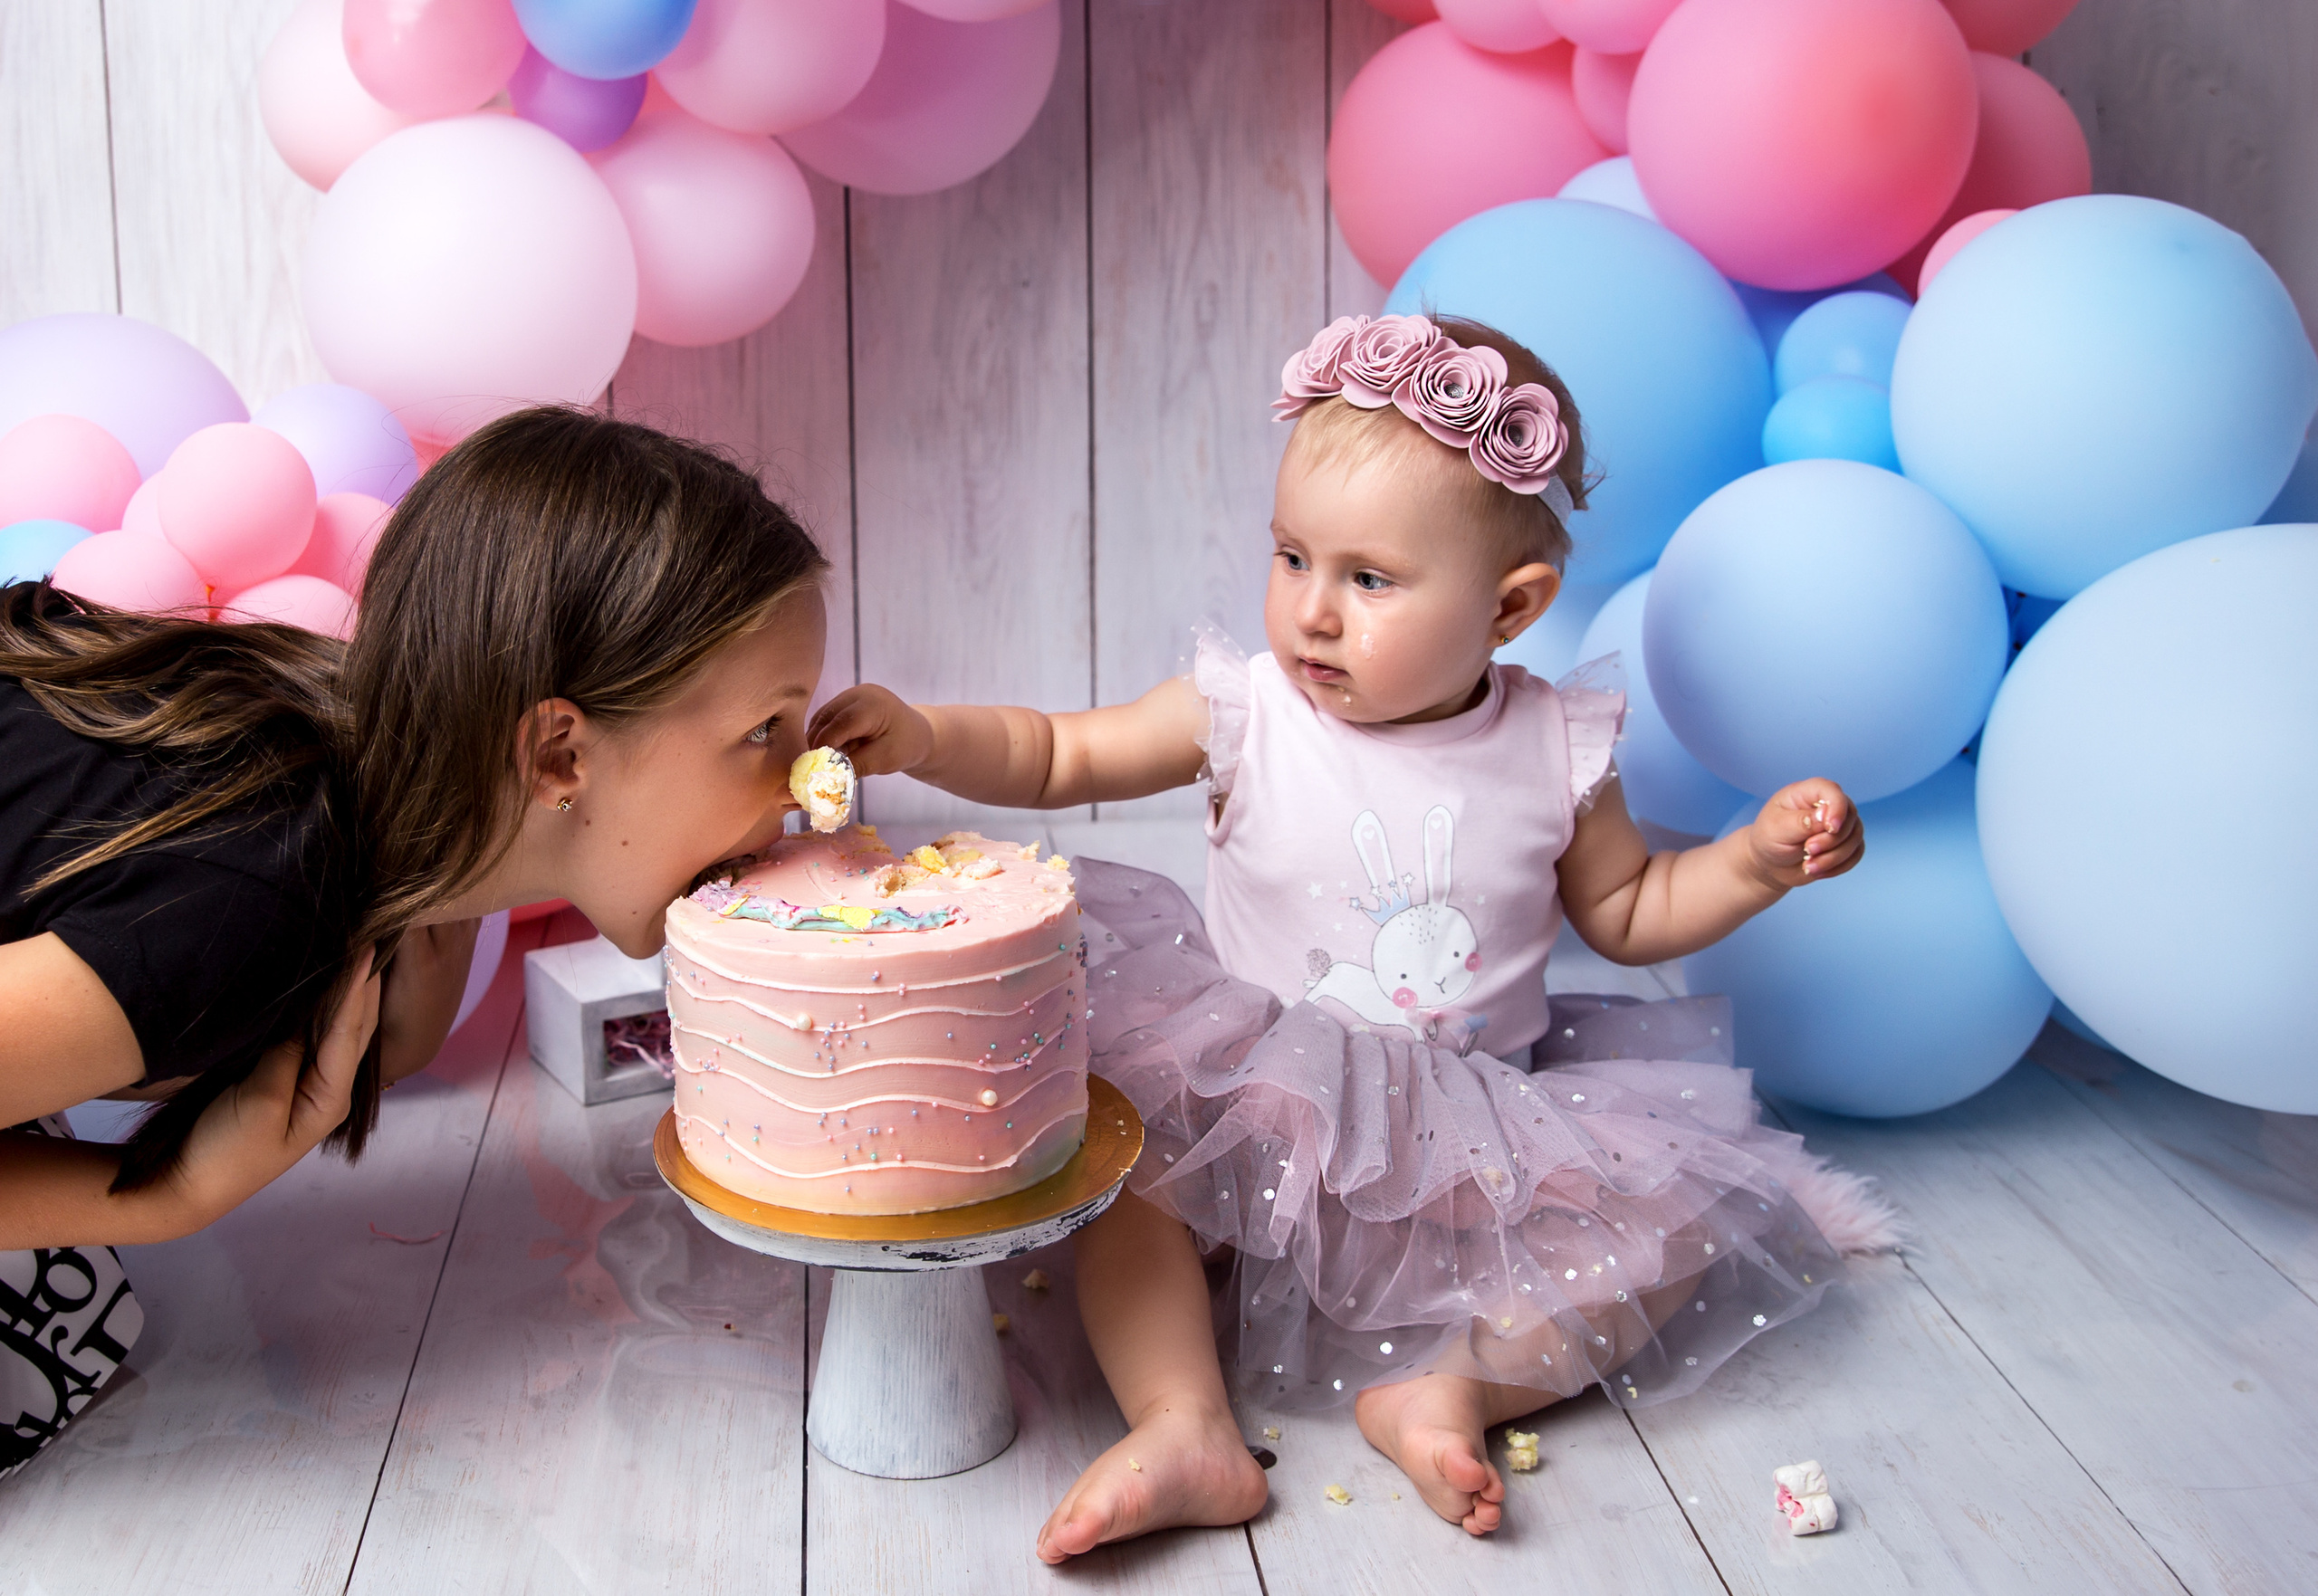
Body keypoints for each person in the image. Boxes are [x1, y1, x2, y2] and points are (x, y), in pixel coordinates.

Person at [810, 313, 1892, 1559]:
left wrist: (1751, 861)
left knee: (1672, 1229)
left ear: (1511, 606)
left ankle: (1452, 1386)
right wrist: (930, 733)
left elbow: (1632, 912)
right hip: (1253, 1112)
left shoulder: (1557, 747)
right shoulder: (1247, 711)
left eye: (1369, 579)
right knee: (1125, 1180)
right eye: (1291, 557)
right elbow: (1062, 749)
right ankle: (1183, 1422)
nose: (1312, 612)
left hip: (1476, 1137)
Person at [1, 408, 832, 1473]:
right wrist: (168, 1198)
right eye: (764, 731)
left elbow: (365, 1027)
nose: (804, 786)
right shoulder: (245, 897)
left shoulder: (384, 794)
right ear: (558, 754)